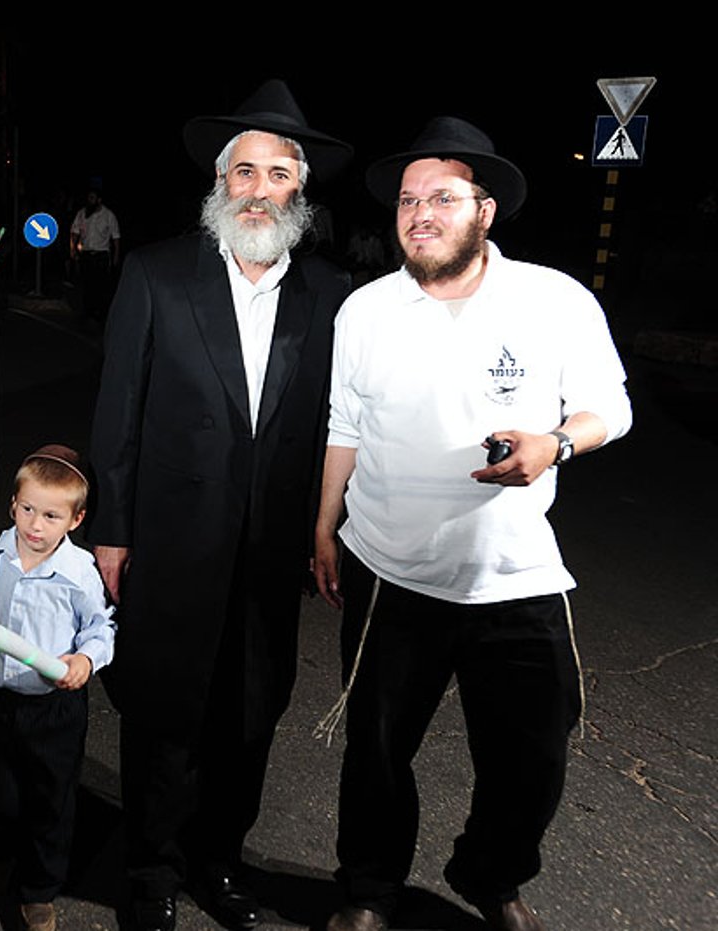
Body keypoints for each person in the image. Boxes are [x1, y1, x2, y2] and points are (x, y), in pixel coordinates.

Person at [312, 117, 632, 931]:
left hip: (514, 574)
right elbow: (345, 424)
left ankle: (491, 874)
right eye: (407, 199)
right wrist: (324, 525)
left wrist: (555, 444)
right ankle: (369, 890)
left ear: (484, 211)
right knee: (378, 749)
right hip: (391, 570)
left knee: (535, 755)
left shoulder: (554, 298)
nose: (420, 212)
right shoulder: (365, 310)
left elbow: (611, 406)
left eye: (442, 197)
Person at [88, 79, 353, 931]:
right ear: (219, 181)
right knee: (165, 712)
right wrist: (111, 532)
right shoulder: (157, 274)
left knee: (250, 713)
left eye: (279, 174)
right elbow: (117, 415)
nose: (259, 190)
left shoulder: (331, 294)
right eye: (245, 171)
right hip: (170, 541)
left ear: (300, 189)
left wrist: (326, 528)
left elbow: (341, 425)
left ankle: (220, 860)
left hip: (271, 550)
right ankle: (150, 870)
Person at [0, 444, 115, 931]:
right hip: (1, 702)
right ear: (13, 505)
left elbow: (102, 628)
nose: (35, 526)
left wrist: (85, 659)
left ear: (75, 520)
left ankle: (39, 890)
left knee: (51, 802)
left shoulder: (79, 573)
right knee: (0, 792)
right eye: (28, 509)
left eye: (52, 516)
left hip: (54, 708)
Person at [68, 188, 120, 321]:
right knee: (87, 284)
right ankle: (88, 312)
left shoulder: (108, 215)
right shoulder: (82, 213)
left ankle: (101, 313)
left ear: (99, 200)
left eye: (92, 198)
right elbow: (74, 232)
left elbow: (115, 237)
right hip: (86, 254)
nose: (89, 200)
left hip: (101, 255)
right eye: (88, 197)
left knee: (101, 285)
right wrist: (72, 249)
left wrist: (116, 256)